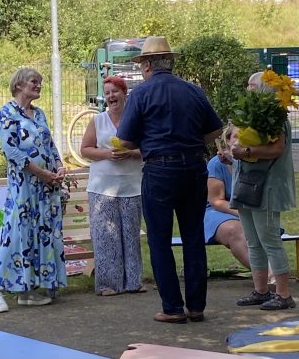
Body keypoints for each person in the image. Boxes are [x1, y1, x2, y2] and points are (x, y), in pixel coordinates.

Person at [116, 36, 223, 323]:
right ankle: (197, 306)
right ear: (171, 62)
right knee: (193, 236)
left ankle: (173, 308)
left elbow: (125, 140)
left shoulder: (141, 93)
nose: (141, 69)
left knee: (160, 239)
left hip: (159, 170)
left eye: (141, 64)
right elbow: (215, 131)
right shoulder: (194, 91)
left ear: (148, 64)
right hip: (194, 168)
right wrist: (189, 142)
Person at [0, 67, 67, 313]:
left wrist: (60, 167)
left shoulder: (39, 114)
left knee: (42, 235)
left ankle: (29, 291)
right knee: (16, 234)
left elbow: (50, 145)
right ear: (19, 85)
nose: (39, 86)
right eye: (34, 82)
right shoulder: (6, 114)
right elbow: (12, 152)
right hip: (24, 189)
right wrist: (42, 173)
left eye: (40, 82)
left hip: (45, 190)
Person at [231, 71, 296, 310]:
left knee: (269, 240)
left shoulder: (275, 117)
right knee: (252, 241)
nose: (248, 90)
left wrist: (247, 153)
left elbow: (276, 149)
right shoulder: (254, 116)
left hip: (267, 187)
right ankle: (260, 290)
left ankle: (284, 294)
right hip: (248, 186)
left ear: (264, 89)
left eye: (251, 86)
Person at [80, 75, 145, 296]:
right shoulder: (97, 121)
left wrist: (131, 153)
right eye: (107, 93)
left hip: (132, 186)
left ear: (124, 94)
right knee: (106, 237)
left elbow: (147, 150)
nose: (110, 96)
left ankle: (133, 282)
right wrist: (107, 153)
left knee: (130, 234)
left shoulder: (137, 120)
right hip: (102, 188)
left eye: (114, 92)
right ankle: (108, 284)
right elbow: (86, 149)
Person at [204, 123, 250, 269]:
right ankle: (268, 276)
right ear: (228, 140)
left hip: (251, 211)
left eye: (244, 136)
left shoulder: (256, 163)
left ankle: (269, 278)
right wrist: (242, 213)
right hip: (218, 211)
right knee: (235, 230)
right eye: (236, 136)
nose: (240, 141)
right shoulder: (217, 164)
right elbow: (216, 200)